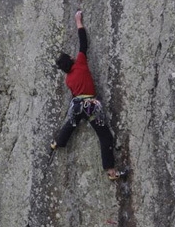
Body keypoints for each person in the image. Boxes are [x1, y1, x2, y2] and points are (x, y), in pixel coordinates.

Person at [51, 10, 122, 180]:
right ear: (72, 60)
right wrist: (78, 21)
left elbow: (75, 93)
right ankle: (111, 171)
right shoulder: (81, 63)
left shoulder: (68, 79)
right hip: (91, 105)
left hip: (77, 105)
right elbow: (83, 43)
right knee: (105, 136)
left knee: (71, 124)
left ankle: (58, 142)